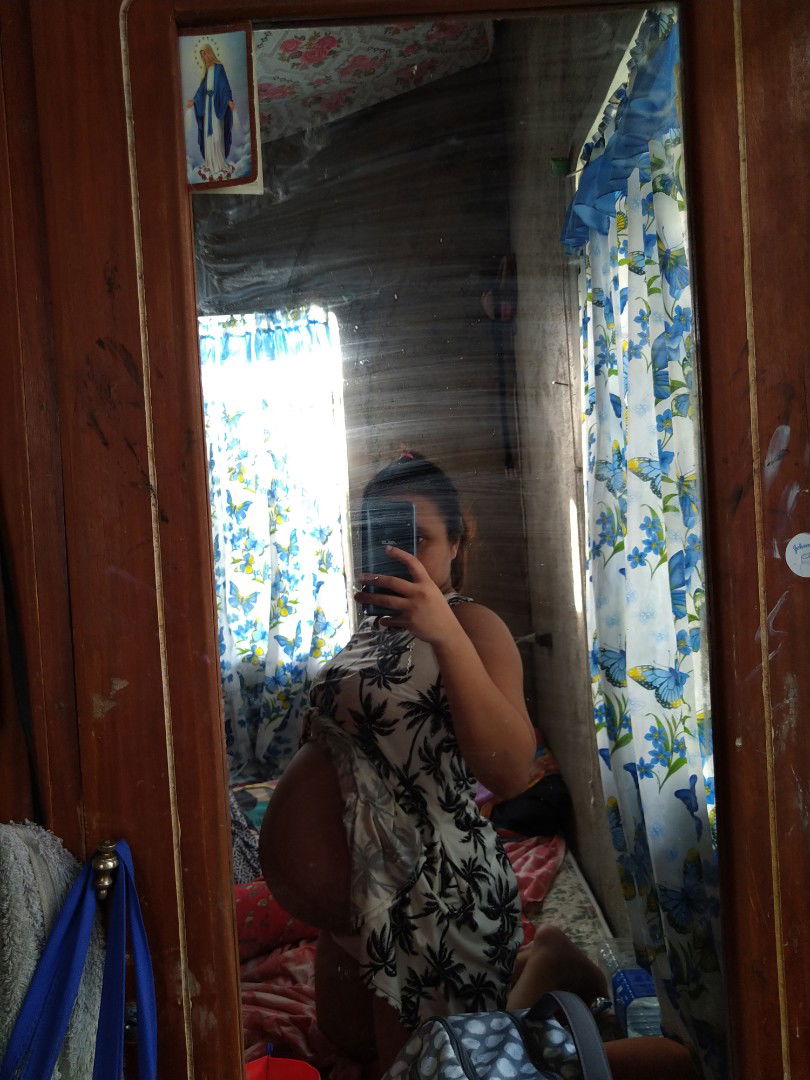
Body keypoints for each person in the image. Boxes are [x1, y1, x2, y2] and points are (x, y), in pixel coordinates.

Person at [260, 452, 536, 1074]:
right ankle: (536, 971)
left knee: (423, 1068)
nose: (396, 555)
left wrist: (445, 632)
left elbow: (513, 770)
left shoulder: (472, 624)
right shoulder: (374, 628)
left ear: (457, 542)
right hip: (364, 903)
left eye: (417, 539)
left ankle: (548, 974)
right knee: (354, 1049)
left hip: (430, 902)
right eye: (380, 538)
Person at [186, 44, 235, 181]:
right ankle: (210, 164)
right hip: (207, 104)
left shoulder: (219, 68)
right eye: (202, 56)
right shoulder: (207, 71)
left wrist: (229, 100)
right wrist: (194, 100)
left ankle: (219, 164)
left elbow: (225, 86)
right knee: (208, 136)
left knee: (217, 134)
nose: (204, 58)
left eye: (205, 54)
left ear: (210, 53)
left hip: (216, 105)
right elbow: (201, 90)